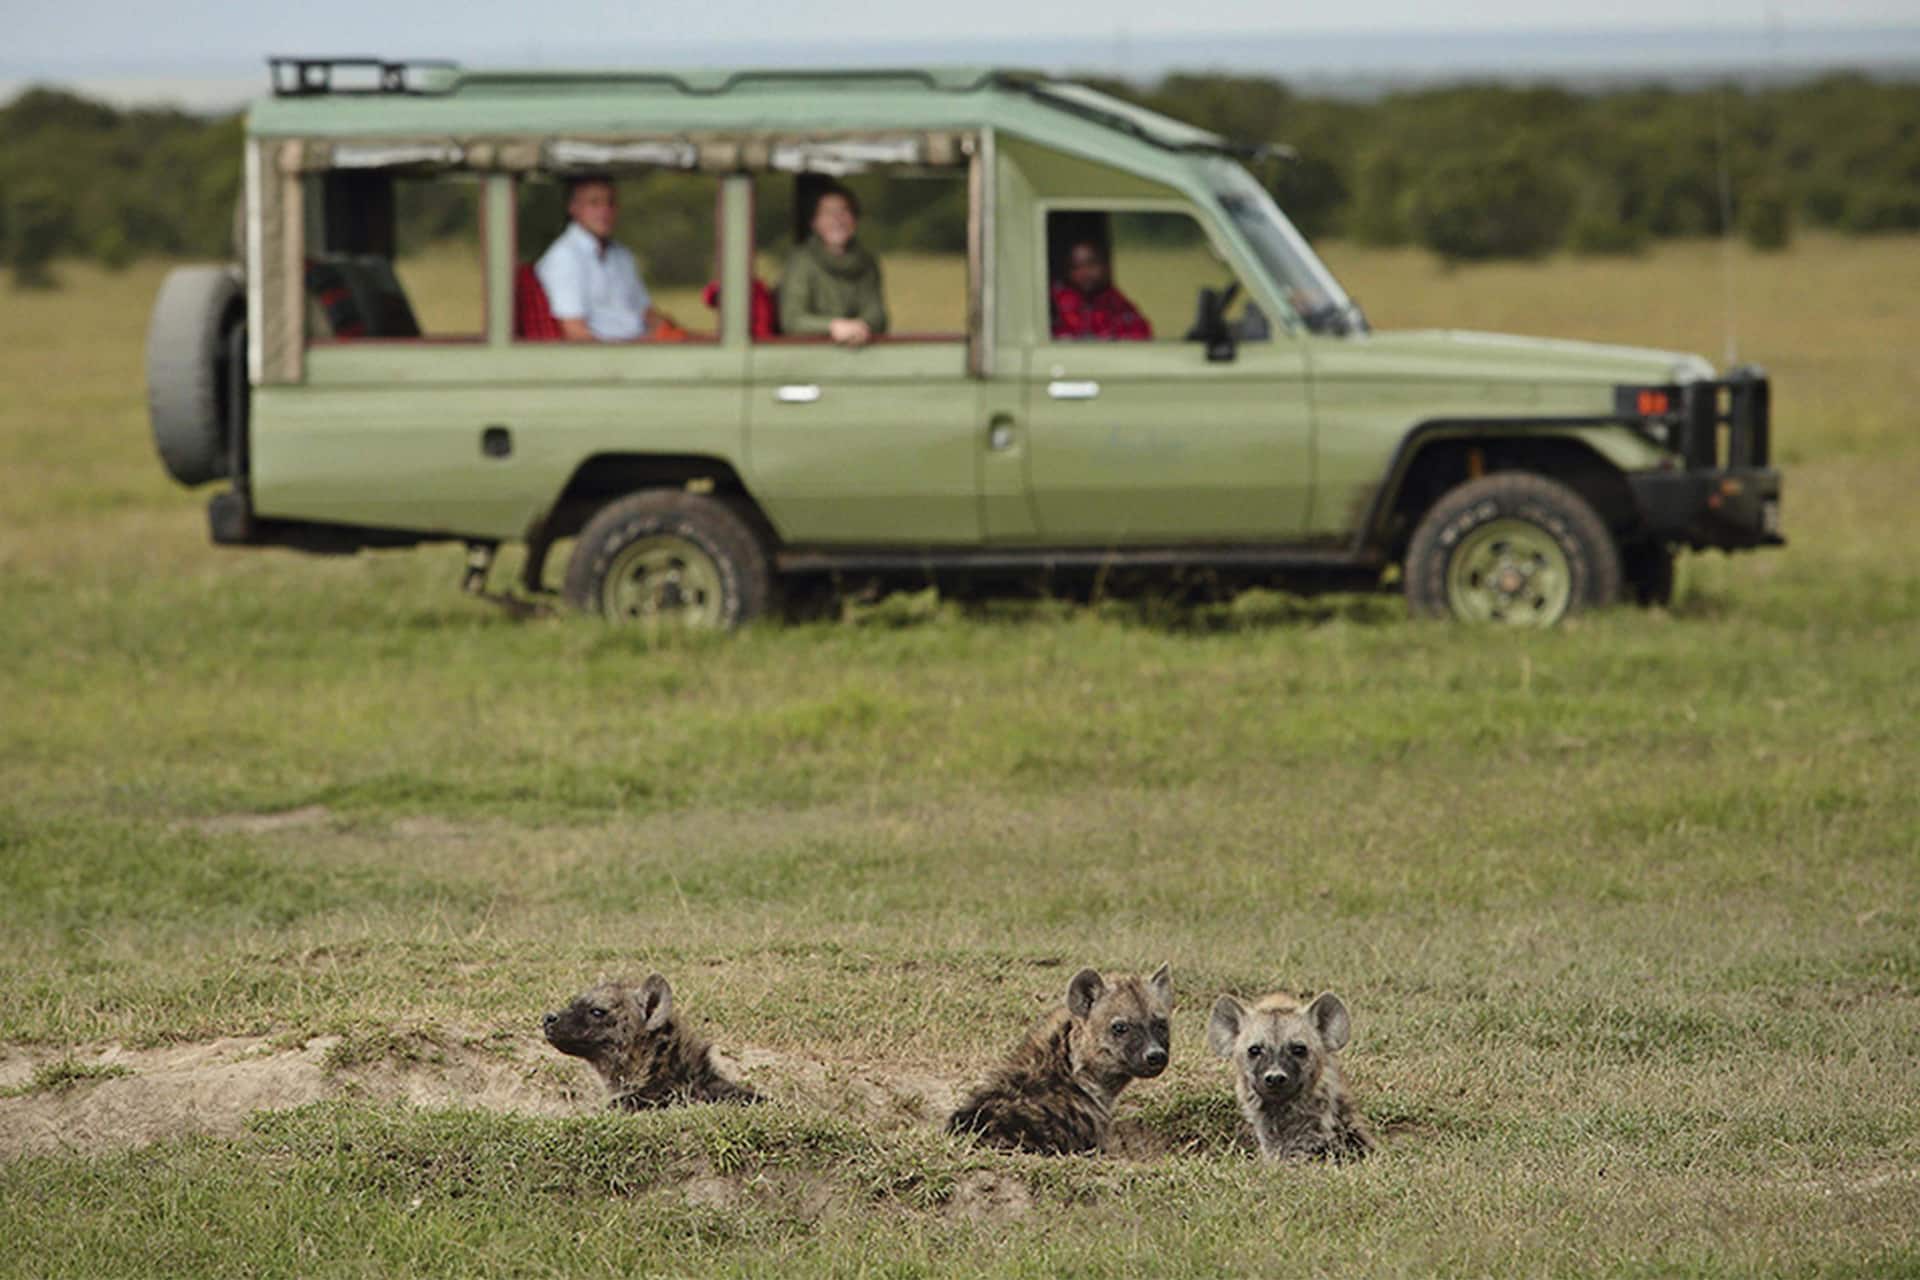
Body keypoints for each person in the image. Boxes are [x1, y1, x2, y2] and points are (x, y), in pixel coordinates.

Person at [534, 175, 675, 342]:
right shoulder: (564, 258)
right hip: (611, 358)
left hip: (644, 346)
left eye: (610, 203)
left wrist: (678, 334)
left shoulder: (621, 255)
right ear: (573, 208)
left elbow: (647, 313)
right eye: (594, 203)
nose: (604, 211)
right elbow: (576, 334)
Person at [779, 184, 887, 347]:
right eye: (828, 212)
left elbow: (877, 313)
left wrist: (860, 327)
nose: (838, 220)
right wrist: (833, 326)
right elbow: (792, 320)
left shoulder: (866, 262)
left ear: (854, 219)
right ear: (814, 222)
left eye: (844, 211)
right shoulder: (800, 262)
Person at [1050, 239, 1151, 341]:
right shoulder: (1054, 301)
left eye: (1091, 264)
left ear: (1104, 266)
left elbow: (1141, 335)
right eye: (1076, 267)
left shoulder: (1115, 302)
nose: (1084, 272)